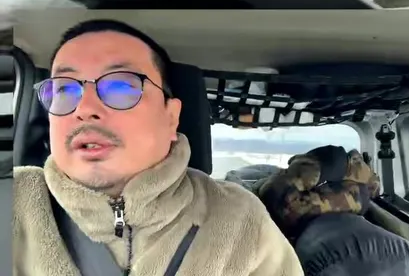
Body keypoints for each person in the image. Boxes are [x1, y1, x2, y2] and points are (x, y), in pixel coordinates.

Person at [11, 18, 304, 276]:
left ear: (171, 117)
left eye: (120, 87)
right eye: (64, 88)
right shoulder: (14, 202)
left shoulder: (239, 220)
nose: (84, 108)